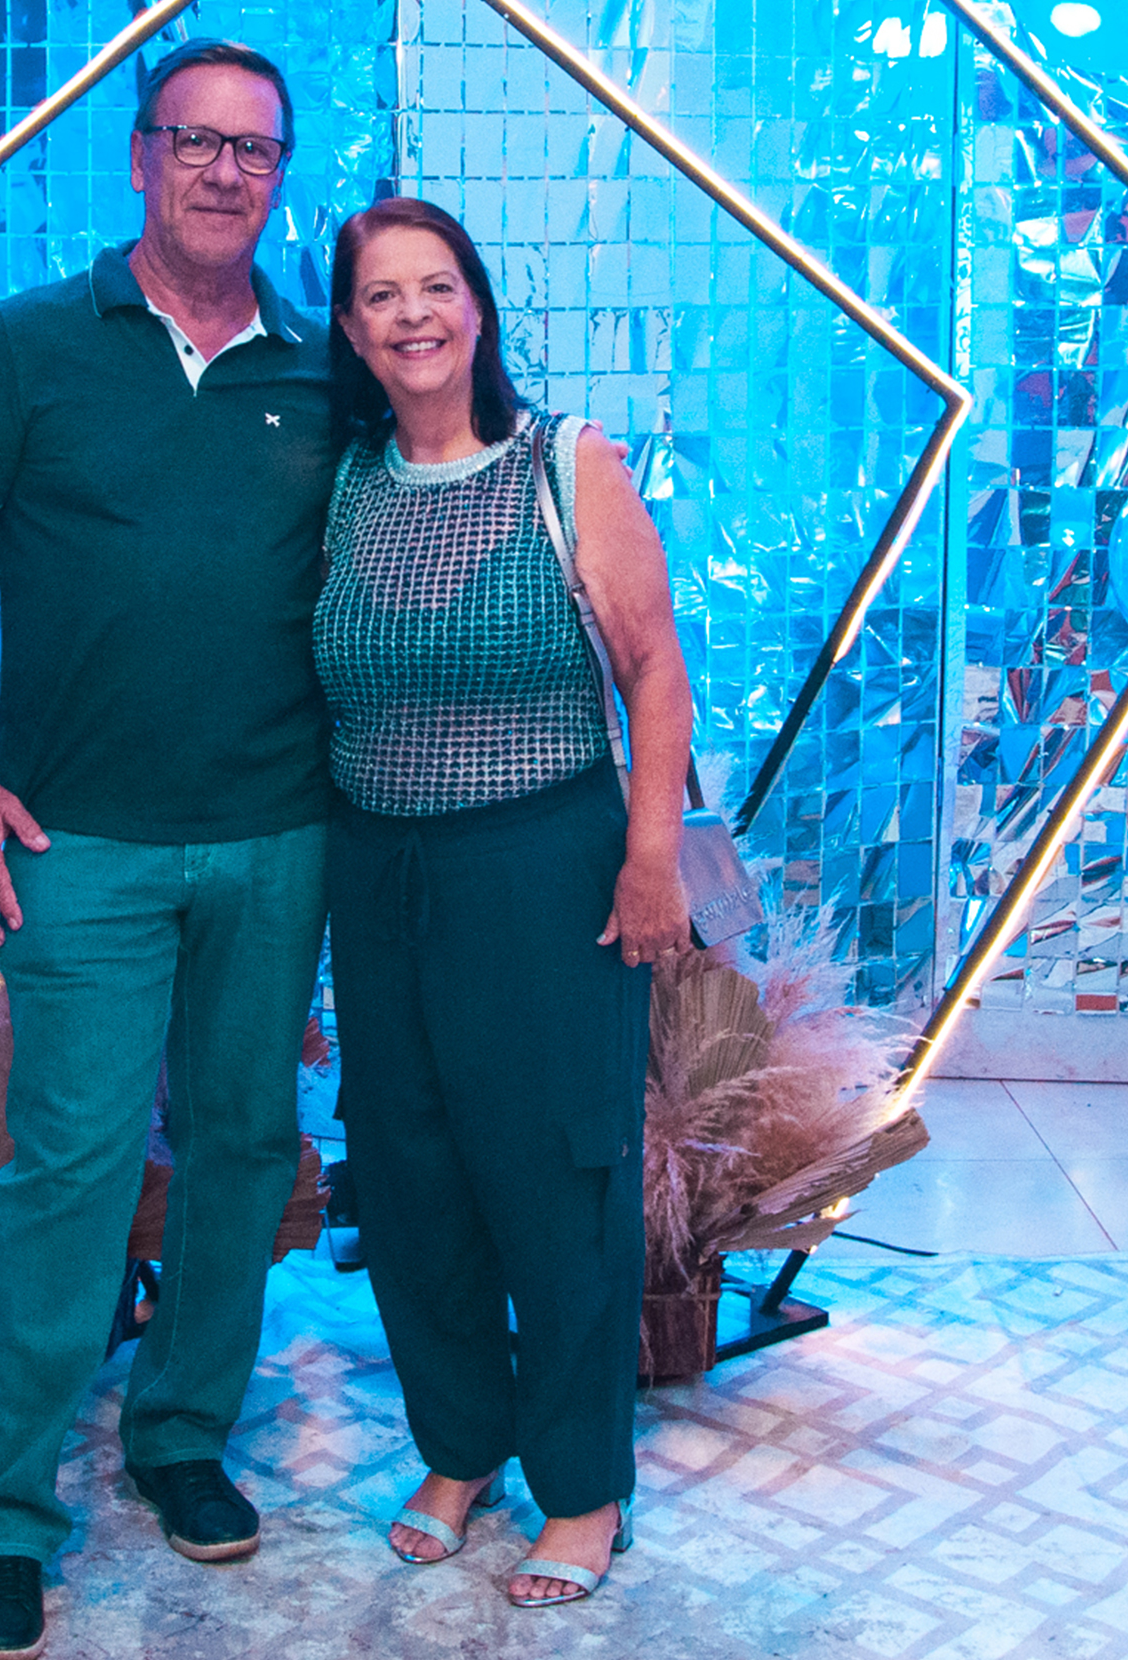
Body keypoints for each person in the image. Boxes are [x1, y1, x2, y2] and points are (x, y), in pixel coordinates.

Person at [0, 39, 335, 1660]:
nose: (224, 171)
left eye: (254, 149)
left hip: (279, 837)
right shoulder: (28, 346)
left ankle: (180, 1434)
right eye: (194, 141)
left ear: (279, 175)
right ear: (139, 158)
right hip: (81, 846)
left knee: (244, 1149)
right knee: (69, 1169)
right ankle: (7, 1513)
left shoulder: (323, 366)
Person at [313, 196, 692, 1608]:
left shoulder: (565, 466)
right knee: (411, 1174)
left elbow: (654, 672)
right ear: (351, 330)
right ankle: (460, 1448)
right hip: (378, 872)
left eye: (437, 287)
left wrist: (650, 857)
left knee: (558, 1178)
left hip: (543, 868)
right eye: (381, 296)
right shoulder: (342, 486)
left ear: (477, 307)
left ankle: (582, 1487)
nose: (412, 315)